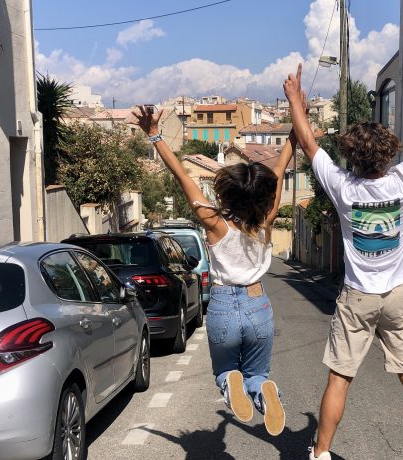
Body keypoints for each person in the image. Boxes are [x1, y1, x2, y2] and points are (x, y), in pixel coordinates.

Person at [283, 54, 403, 460]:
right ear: (389, 152)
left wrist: (294, 99)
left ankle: (321, 453)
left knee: (339, 378)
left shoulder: (343, 188)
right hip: (398, 295)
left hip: (357, 296)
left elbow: (308, 143)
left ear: (352, 155)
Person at [132, 81, 306, 435]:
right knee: (258, 373)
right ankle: (263, 390)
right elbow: (280, 168)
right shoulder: (266, 220)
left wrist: (154, 135)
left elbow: (182, 175)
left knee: (226, 371)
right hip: (258, 305)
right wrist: (296, 117)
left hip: (225, 305)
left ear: (228, 191)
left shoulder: (214, 224)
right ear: (263, 195)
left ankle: (230, 384)